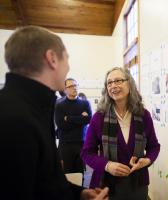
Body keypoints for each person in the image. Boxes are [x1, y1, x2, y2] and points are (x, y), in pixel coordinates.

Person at [0, 25, 108, 200]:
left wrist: (78, 194)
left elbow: (44, 180)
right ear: (52, 59)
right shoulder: (13, 118)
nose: (68, 67)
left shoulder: (36, 107)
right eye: (67, 58)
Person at [81, 67, 160, 199]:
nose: (113, 86)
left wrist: (146, 160)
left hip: (138, 183)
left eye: (118, 81)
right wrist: (107, 165)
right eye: (109, 83)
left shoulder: (143, 115)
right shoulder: (99, 117)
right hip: (107, 185)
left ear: (130, 84)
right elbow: (87, 153)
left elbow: (154, 146)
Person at [55, 78, 92, 175]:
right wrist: (80, 119)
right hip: (66, 144)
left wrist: (69, 118)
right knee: (68, 173)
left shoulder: (85, 103)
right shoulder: (59, 105)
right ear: (65, 89)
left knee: (80, 173)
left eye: (76, 85)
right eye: (71, 86)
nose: (74, 88)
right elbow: (61, 125)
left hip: (81, 143)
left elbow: (88, 120)